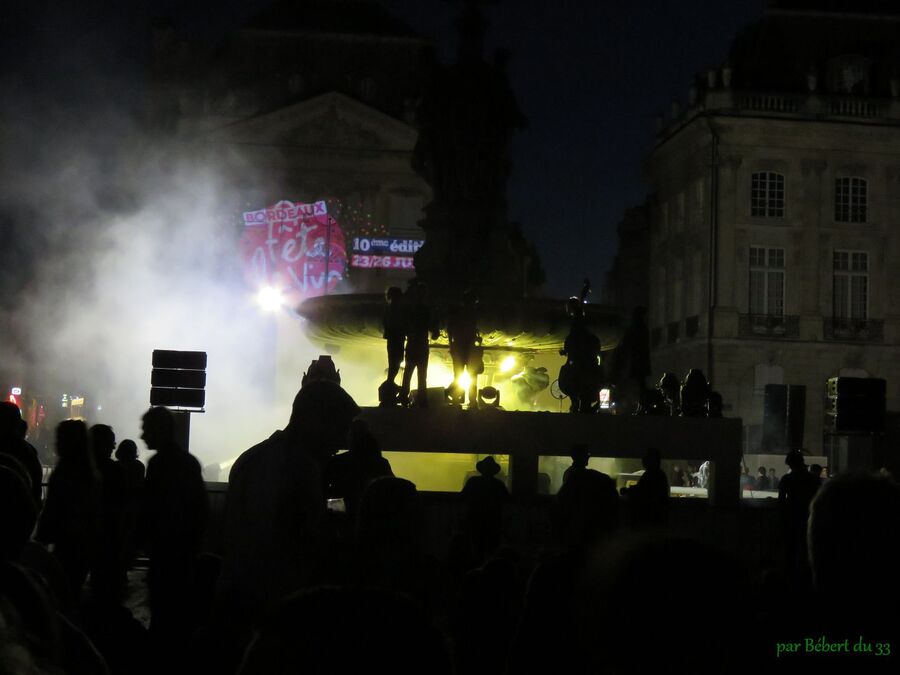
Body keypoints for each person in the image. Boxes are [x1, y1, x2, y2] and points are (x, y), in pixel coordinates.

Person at [221, 380, 360, 629]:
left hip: (239, 596)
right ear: (316, 420)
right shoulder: (300, 468)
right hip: (276, 604)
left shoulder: (253, 457)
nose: (342, 443)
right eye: (340, 429)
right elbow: (310, 533)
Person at [139, 406, 209, 645]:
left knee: (162, 616)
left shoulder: (158, 464)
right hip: (183, 553)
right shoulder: (188, 463)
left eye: (147, 429)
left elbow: (150, 508)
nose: (143, 435)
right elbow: (200, 509)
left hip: (165, 553)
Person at [36, 420, 101, 601]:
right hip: (83, 544)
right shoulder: (89, 472)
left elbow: (54, 507)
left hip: (66, 543)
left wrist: (42, 534)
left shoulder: (64, 471)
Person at [325, 419, 393, 516]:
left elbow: (331, 492)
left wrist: (337, 516)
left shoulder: (338, 461)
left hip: (345, 515)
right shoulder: (380, 462)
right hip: (371, 514)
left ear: (350, 437)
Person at [558, 296, 602, 413]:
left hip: (577, 362)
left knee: (569, 379)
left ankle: (575, 401)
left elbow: (571, 344)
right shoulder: (587, 332)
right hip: (589, 363)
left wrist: (566, 351)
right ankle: (584, 402)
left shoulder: (575, 328)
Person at [399, 282, 439, 408]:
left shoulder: (410, 309)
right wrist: (435, 330)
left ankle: (404, 397)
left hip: (412, 343)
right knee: (422, 374)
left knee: (408, 372)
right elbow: (431, 327)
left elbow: (405, 326)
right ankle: (422, 399)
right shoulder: (426, 310)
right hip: (421, 344)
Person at [447, 290, 483, 406]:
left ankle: (457, 398)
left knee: (459, 374)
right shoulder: (471, 314)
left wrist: (451, 345)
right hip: (467, 348)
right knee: (471, 375)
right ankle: (471, 400)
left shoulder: (459, 312)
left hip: (460, 347)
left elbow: (450, 329)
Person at [379, 286, 406, 406]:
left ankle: (389, 386)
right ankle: (389, 386)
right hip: (396, 339)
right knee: (396, 363)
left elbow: (386, 324)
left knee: (394, 363)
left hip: (393, 339)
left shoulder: (389, 308)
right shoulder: (396, 309)